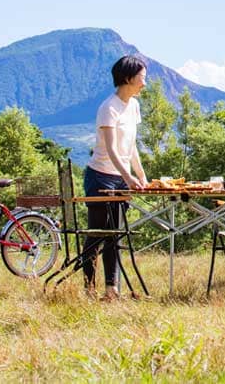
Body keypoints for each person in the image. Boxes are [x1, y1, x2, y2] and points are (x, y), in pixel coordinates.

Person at [82, 54, 149, 300]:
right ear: (128, 78)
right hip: (100, 177)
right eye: (141, 79)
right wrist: (128, 177)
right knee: (98, 233)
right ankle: (89, 288)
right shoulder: (108, 108)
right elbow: (111, 149)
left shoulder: (133, 106)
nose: (144, 83)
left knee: (115, 233)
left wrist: (141, 175)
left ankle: (111, 289)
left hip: (120, 178)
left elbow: (130, 146)